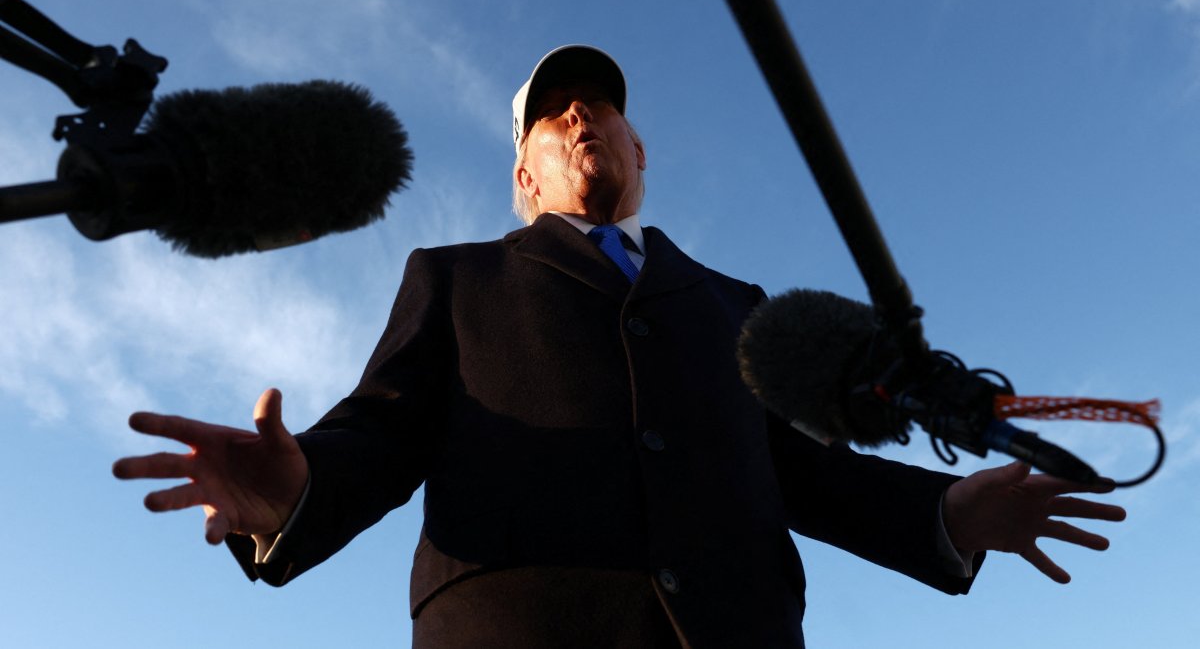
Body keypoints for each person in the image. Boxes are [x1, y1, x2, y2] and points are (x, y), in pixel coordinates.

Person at [113, 45, 1126, 648]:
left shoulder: (740, 305)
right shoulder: (457, 277)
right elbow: (378, 433)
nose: (577, 114)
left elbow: (803, 473)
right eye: (552, 116)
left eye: (599, 105)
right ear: (525, 178)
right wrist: (296, 492)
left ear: (640, 153)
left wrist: (945, 512)